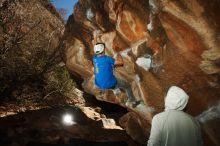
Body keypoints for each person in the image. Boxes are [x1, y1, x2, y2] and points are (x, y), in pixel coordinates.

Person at [93, 43, 140, 107]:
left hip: (98, 83)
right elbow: (121, 62)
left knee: (109, 71)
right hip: (109, 83)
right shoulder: (107, 59)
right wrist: (118, 53)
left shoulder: (94, 58)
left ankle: (115, 90)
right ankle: (132, 101)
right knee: (127, 86)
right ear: (103, 50)